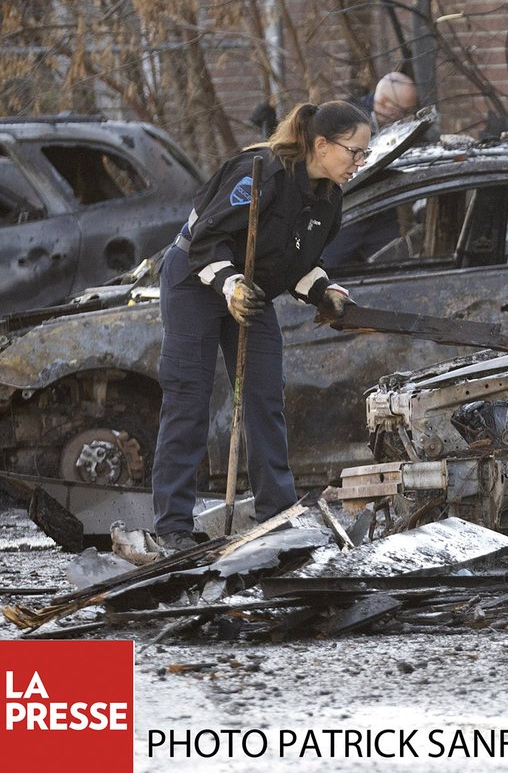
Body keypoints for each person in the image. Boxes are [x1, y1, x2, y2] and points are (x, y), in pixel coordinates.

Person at [152, 100, 371, 552]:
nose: (359, 163)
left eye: (364, 154)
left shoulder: (329, 198)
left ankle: (278, 514)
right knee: (188, 400)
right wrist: (230, 286)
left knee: (265, 395)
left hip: (252, 292)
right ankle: (173, 526)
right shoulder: (260, 173)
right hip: (198, 280)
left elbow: (297, 262)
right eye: (354, 152)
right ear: (322, 144)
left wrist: (323, 289)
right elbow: (205, 239)